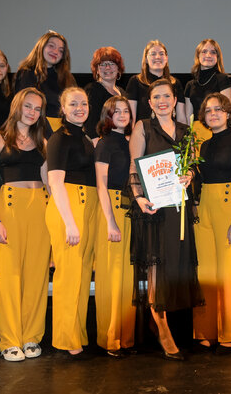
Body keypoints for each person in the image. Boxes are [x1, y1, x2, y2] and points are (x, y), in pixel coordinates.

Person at [128, 78, 204, 361]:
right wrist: (138, 198)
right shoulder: (142, 128)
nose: (162, 101)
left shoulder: (187, 131)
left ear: (175, 101)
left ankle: (158, 317)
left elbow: (192, 166)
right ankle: (161, 325)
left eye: (167, 97)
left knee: (174, 265)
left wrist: (189, 175)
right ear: (149, 103)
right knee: (156, 267)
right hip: (153, 209)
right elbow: (134, 167)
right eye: (156, 97)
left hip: (178, 209)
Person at [0, 87, 51, 362]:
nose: (33, 112)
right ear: (17, 107)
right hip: (9, 208)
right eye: (28, 106)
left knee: (37, 276)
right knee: (10, 277)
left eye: (37, 108)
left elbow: (49, 182)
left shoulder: (43, 142)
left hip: (41, 208)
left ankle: (32, 335)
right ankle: (9, 339)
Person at [193, 93, 231, 354]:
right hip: (205, 207)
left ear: (229, 114)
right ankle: (205, 330)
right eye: (208, 110)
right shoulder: (203, 146)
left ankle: (229, 332)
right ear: (203, 117)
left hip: (230, 207)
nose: (213, 113)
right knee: (205, 272)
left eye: (218, 109)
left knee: (228, 273)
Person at [45, 87, 99, 357]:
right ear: (63, 109)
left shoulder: (85, 138)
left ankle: (76, 332)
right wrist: (69, 222)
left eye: (84, 103)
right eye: (73, 104)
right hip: (68, 208)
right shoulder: (59, 138)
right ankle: (65, 337)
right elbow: (55, 181)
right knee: (68, 277)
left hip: (87, 206)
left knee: (81, 275)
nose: (80, 108)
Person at [94, 96, 136, 357]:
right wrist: (110, 221)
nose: (121, 114)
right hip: (112, 214)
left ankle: (126, 337)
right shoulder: (105, 144)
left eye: (125, 110)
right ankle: (110, 339)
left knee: (127, 278)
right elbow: (101, 185)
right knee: (112, 277)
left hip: (130, 213)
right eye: (115, 111)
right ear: (107, 116)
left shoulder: (132, 143)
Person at [14, 30, 77, 131]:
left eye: (61, 50)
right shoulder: (26, 74)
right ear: (41, 46)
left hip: (63, 130)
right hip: (36, 129)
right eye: (51, 46)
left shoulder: (68, 78)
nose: (56, 52)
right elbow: (22, 109)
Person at [125, 40, 186, 123]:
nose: (157, 57)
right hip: (143, 134)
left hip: (171, 134)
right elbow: (131, 117)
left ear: (166, 58)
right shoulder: (135, 81)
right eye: (153, 54)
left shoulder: (175, 83)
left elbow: (181, 118)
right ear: (146, 59)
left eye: (161, 54)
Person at [184, 39, 231, 141]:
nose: (208, 55)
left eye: (213, 52)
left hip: (217, 131)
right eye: (204, 51)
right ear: (198, 56)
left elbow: (227, 110)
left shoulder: (223, 80)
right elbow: (188, 118)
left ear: (217, 57)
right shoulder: (190, 85)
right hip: (195, 135)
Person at [84, 47, 127, 139]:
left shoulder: (123, 93)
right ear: (97, 70)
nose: (107, 67)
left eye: (112, 63)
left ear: (118, 68)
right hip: (101, 144)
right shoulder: (93, 90)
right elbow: (90, 125)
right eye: (103, 64)